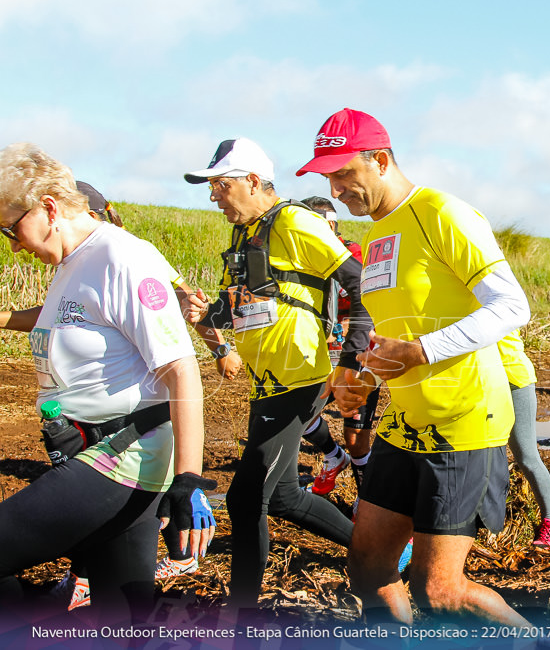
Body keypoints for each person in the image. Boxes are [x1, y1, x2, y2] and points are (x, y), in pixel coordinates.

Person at [297, 108, 531, 626]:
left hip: (463, 420)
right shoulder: (380, 232)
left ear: (380, 160)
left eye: (343, 174)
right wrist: (360, 374)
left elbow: (513, 307)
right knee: (367, 566)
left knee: (439, 590)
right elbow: (396, 331)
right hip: (404, 423)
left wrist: (422, 351)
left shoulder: (442, 212)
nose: (335, 190)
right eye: (327, 178)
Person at [0, 143, 215, 622]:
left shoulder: (122, 258)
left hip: (121, 456)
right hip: (92, 451)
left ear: (49, 208)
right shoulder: (72, 263)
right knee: (123, 618)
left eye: (11, 229)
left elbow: (180, 369)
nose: (13, 245)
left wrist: (188, 482)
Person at [180, 137, 369, 609]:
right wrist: (209, 310)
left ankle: (241, 616)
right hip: (268, 383)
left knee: (246, 501)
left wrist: (351, 360)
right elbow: (240, 307)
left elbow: (359, 283)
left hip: (299, 377)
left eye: (220, 185)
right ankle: (381, 552)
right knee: (283, 496)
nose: (213, 196)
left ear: (251, 180)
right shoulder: (245, 235)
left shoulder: (294, 221)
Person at [299, 195, 381, 495]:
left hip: (359, 353)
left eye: (330, 228)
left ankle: (367, 500)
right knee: (301, 414)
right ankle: (334, 458)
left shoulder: (353, 255)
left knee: (355, 435)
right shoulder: (302, 261)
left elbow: (368, 299)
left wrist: (346, 326)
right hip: (318, 354)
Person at [497, 331, 550, 549]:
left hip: (513, 379)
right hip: (477, 381)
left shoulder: (497, 297)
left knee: (526, 456)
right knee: (477, 456)